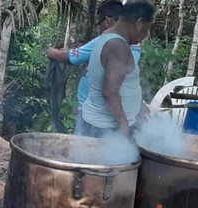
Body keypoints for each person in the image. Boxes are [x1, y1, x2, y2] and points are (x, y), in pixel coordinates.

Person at [47, 0, 142, 135]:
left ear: (108, 21)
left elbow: (71, 58)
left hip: (94, 114)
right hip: (117, 111)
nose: (99, 29)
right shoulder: (133, 46)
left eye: (99, 23)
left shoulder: (106, 41)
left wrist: (52, 52)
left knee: (84, 151)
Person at [81, 0, 155, 138]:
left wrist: (139, 106)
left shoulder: (107, 37)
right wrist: (123, 124)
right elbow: (110, 92)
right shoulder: (118, 46)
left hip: (100, 126)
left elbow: (123, 83)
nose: (145, 35)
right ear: (138, 23)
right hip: (107, 130)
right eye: (147, 28)